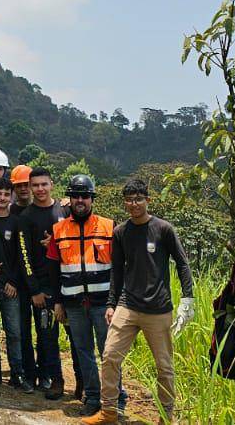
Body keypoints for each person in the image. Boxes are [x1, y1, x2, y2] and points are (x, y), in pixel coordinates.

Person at [80, 178, 196, 425]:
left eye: (139, 199)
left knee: (164, 367)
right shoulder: (121, 232)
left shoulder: (164, 229)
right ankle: (109, 411)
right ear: (125, 202)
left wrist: (188, 299)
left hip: (158, 309)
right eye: (130, 200)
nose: (134, 204)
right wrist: (111, 304)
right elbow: (117, 271)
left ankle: (166, 417)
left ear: (148, 200)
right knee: (110, 355)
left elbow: (182, 263)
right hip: (128, 305)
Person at [48, 175, 121, 417]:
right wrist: (57, 302)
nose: (80, 200)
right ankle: (92, 396)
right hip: (74, 305)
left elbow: (120, 268)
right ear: (69, 199)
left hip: (104, 305)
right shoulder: (58, 230)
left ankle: (116, 397)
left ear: (92, 199)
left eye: (85, 196)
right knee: (83, 351)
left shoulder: (109, 227)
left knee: (108, 352)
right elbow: (53, 271)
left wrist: (117, 302)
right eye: (76, 196)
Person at [16, 167, 70, 399]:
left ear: (52, 184)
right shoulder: (25, 217)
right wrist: (34, 290)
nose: (39, 189)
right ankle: (54, 379)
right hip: (42, 287)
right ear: (30, 187)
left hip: (68, 283)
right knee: (46, 335)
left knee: (75, 335)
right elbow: (24, 255)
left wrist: (55, 242)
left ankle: (83, 384)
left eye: (43, 184)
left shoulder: (64, 210)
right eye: (35, 185)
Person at [0, 177, 34, 392]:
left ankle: (17, 373)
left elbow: (22, 255)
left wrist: (14, 281)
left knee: (14, 331)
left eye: (6, 194)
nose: (2, 198)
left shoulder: (16, 222)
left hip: (12, 287)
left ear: (10, 196)